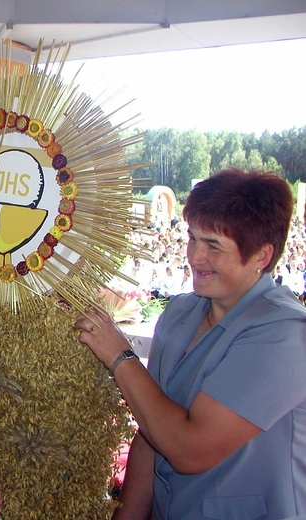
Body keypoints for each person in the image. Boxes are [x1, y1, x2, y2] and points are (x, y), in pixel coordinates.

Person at [75, 168, 306, 519]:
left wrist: (119, 355)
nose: (195, 257)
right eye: (193, 238)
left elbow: (190, 450)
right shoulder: (181, 313)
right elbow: (152, 432)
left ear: (261, 256)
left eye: (213, 246)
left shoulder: (284, 334)